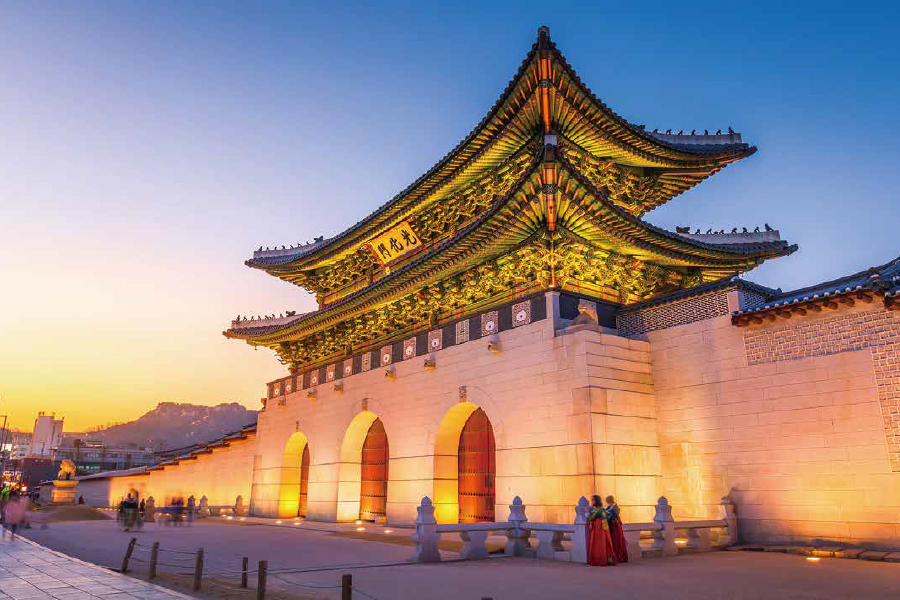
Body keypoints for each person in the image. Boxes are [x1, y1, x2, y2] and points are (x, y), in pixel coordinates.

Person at [587, 494, 617, 566]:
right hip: (604, 528)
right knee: (605, 543)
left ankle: (599, 559)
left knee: (598, 544)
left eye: (593, 500)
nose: (592, 501)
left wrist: (587, 513)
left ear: (596, 501)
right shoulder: (602, 509)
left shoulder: (596, 510)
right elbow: (609, 516)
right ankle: (607, 559)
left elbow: (590, 518)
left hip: (598, 528)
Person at [605, 495, 628, 563]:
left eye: (607, 501)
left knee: (617, 541)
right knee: (612, 540)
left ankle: (618, 556)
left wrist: (609, 514)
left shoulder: (615, 507)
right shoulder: (609, 507)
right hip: (611, 525)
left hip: (616, 526)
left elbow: (615, 515)